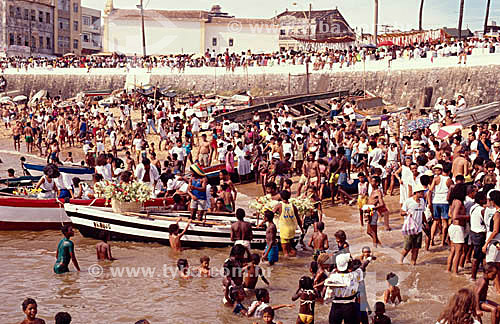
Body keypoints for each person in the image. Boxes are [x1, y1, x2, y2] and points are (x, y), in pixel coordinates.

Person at [324, 253, 374, 324]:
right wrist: (369, 259)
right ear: (348, 265)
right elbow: (363, 265)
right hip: (350, 307)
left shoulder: (333, 277)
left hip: (336, 307)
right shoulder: (355, 275)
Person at [400, 183, 427, 265]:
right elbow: (401, 212)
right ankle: (400, 261)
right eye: (421, 192)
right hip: (410, 228)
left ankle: (413, 262)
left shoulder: (422, 201)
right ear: (416, 192)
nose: (423, 194)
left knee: (416, 248)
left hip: (418, 228)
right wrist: (407, 213)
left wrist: (425, 223)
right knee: (407, 247)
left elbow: (422, 213)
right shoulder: (408, 201)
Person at [274, 190, 304, 257]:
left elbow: (270, 214)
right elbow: (298, 219)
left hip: (284, 229)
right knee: (290, 247)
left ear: (281, 197)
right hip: (292, 229)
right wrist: (301, 229)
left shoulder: (279, 205)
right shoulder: (293, 206)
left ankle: (287, 264)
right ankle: (294, 257)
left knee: (285, 252)